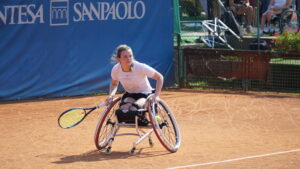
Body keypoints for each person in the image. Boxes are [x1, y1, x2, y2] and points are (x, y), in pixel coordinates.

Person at [106, 44, 164, 114]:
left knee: (134, 108)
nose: (129, 59)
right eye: (125, 57)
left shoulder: (140, 67)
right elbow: (114, 83)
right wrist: (111, 95)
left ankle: (143, 122)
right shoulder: (116, 69)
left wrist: (156, 96)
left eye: (130, 56)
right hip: (130, 95)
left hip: (145, 94)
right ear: (119, 58)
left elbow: (159, 77)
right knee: (123, 109)